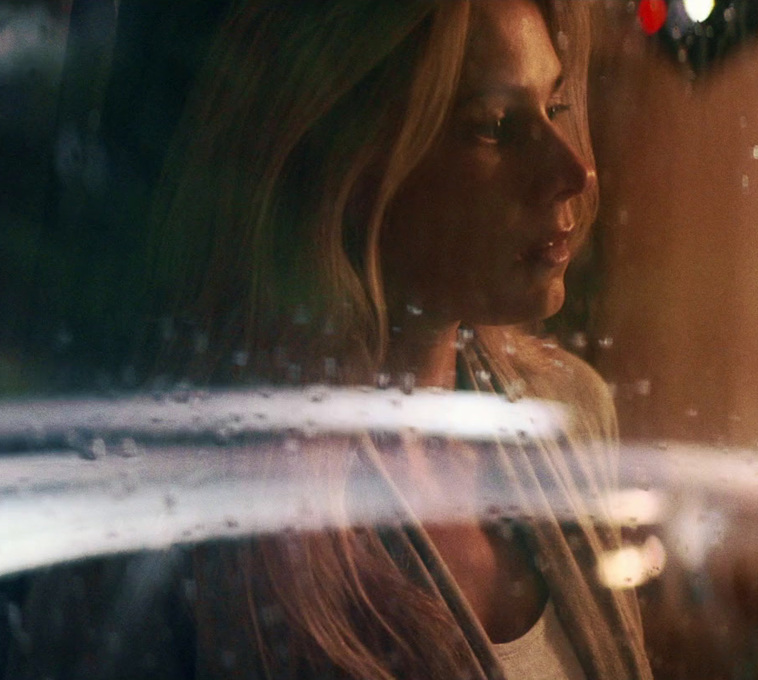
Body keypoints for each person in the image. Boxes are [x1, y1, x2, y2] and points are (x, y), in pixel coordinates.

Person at [138, 1, 653, 679]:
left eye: (554, 108)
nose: (574, 169)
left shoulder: (569, 412)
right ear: (345, 169)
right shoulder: (215, 511)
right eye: (493, 126)